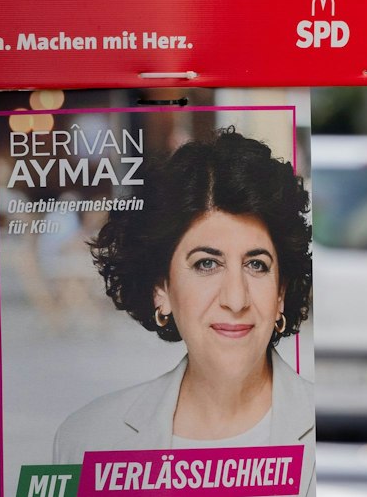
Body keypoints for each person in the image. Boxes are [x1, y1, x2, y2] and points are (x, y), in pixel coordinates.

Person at [51, 129, 314, 491]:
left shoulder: (332, 437)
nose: (235, 299)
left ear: (281, 291)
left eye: (257, 265)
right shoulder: (87, 441)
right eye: (207, 264)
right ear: (161, 289)